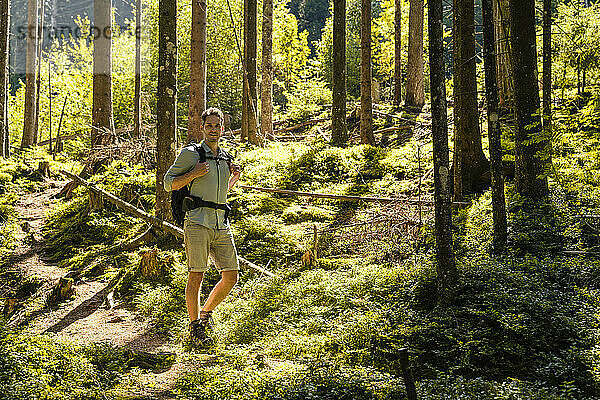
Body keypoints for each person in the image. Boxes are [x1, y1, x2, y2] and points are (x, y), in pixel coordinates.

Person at [163, 107, 242, 346]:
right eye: (209, 126)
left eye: (217, 126)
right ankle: (194, 326)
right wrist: (193, 173)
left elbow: (217, 193)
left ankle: (205, 314)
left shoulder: (225, 157)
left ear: (223, 128)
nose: (214, 130)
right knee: (196, 275)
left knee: (231, 275)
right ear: (202, 128)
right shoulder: (191, 154)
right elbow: (168, 183)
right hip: (197, 221)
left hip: (221, 222)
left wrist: (232, 181)